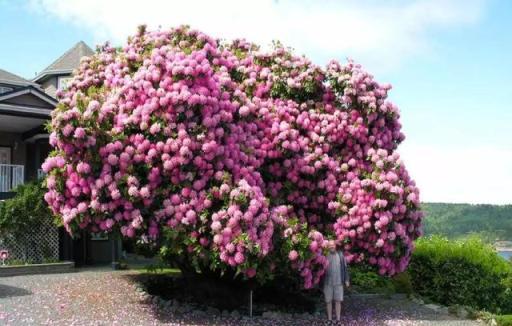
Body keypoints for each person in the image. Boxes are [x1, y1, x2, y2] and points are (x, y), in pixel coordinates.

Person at [323, 240, 350, 322]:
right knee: (328, 301)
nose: (332, 246)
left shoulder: (341, 255)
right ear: (328, 247)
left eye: (333, 245)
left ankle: (338, 320)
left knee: (338, 301)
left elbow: (345, 269)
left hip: (339, 283)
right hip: (327, 283)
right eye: (330, 245)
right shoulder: (325, 256)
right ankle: (330, 320)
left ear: (335, 246)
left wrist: (346, 279)